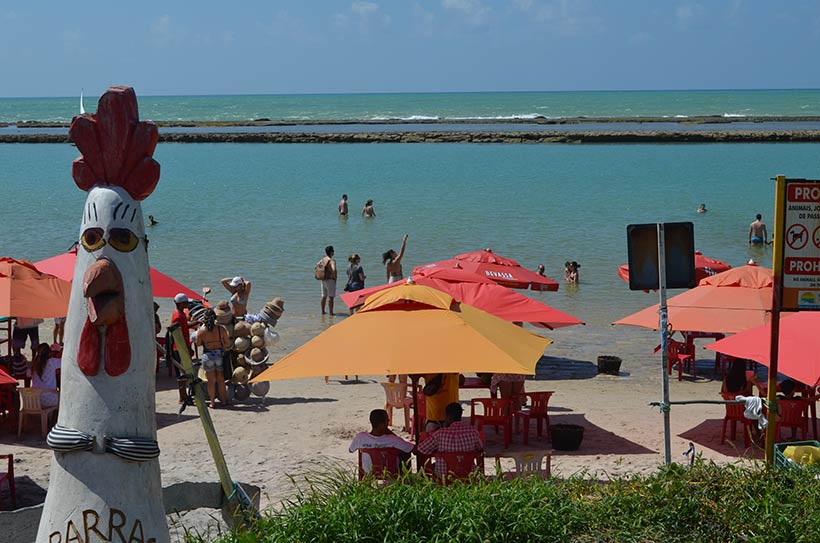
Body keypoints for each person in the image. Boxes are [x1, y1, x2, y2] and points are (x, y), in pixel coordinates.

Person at [417, 402, 484, 478]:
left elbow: (421, 449)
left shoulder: (440, 433)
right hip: (468, 473)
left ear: (449, 417)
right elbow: (480, 449)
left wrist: (435, 450)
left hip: (444, 475)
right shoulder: (473, 432)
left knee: (431, 467)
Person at [349, 409, 414, 474]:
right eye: (387, 421)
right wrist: (390, 432)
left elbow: (351, 450)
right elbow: (411, 449)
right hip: (391, 475)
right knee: (404, 453)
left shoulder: (360, 437)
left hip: (368, 476)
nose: (388, 422)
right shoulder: (393, 440)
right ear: (382, 424)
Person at [194, 309, 231, 409]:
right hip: (219, 355)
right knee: (220, 379)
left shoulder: (202, 330)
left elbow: (197, 344)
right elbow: (227, 343)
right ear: (215, 318)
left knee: (211, 381)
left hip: (208, 355)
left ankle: (212, 403)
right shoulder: (221, 329)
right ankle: (223, 401)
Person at [170, 293, 198, 401]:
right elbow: (180, 335)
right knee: (183, 373)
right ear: (181, 304)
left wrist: (196, 322)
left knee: (183, 373)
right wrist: (189, 349)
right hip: (180, 348)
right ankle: (183, 397)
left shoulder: (178, 313)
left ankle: (184, 395)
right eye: (186, 303)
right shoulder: (179, 316)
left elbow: (185, 326)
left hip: (180, 347)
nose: (188, 304)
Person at [31, 343, 61, 408]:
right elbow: (65, 361)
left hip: (35, 400)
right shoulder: (52, 362)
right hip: (49, 400)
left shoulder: (34, 364)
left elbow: (28, 373)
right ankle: (54, 418)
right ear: (49, 353)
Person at [317, 246, 337, 315]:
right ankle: (331, 312)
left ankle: (322, 311)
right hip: (330, 280)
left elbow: (316, 266)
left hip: (323, 280)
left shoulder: (323, 260)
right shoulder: (332, 261)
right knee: (331, 297)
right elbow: (333, 269)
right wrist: (333, 276)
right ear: (331, 252)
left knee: (324, 296)